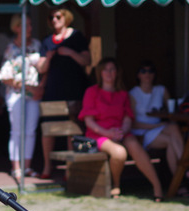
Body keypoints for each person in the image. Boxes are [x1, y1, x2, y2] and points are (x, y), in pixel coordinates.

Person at [79, 58, 163, 201]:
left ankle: (157, 186)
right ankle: (116, 184)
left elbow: (128, 118)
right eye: (105, 70)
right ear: (100, 73)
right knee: (119, 153)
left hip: (121, 132)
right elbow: (89, 122)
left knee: (135, 146)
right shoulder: (92, 92)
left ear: (117, 72)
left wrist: (122, 131)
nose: (109, 73)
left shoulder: (123, 94)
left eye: (112, 69)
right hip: (98, 134)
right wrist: (108, 133)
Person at [38, 8, 91, 178]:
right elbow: (41, 68)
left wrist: (70, 53)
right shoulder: (47, 41)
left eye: (58, 16)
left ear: (66, 17)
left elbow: (87, 60)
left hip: (74, 90)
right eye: (51, 17)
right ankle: (47, 167)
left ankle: (70, 168)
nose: (54, 19)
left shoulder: (76, 36)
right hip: (53, 91)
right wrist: (49, 58)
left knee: (72, 128)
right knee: (49, 129)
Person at [129, 60, 186, 193]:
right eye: (143, 71)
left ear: (154, 74)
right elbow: (133, 123)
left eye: (150, 71)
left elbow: (172, 111)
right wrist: (158, 124)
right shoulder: (133, 93)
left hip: (160, 129)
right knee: (171, 136)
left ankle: (179, 180)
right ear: (138, 75)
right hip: (142, 132)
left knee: (173, 130)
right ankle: (183, 175)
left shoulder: (161, 90)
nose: (147, 74)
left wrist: (163, 115)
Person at [0, 14, 42, 181]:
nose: (30, 28)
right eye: (26, 25)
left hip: (34, 94)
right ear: (17, 28)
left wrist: (39, 87)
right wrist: (22, 84)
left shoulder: (36, 45)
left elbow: (43, 68)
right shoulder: (11, 48)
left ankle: (27, 166)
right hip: (16, 94)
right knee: (17, 131)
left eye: (30, 24)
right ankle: (16, 167)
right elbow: (3, 75)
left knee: (30, 131)